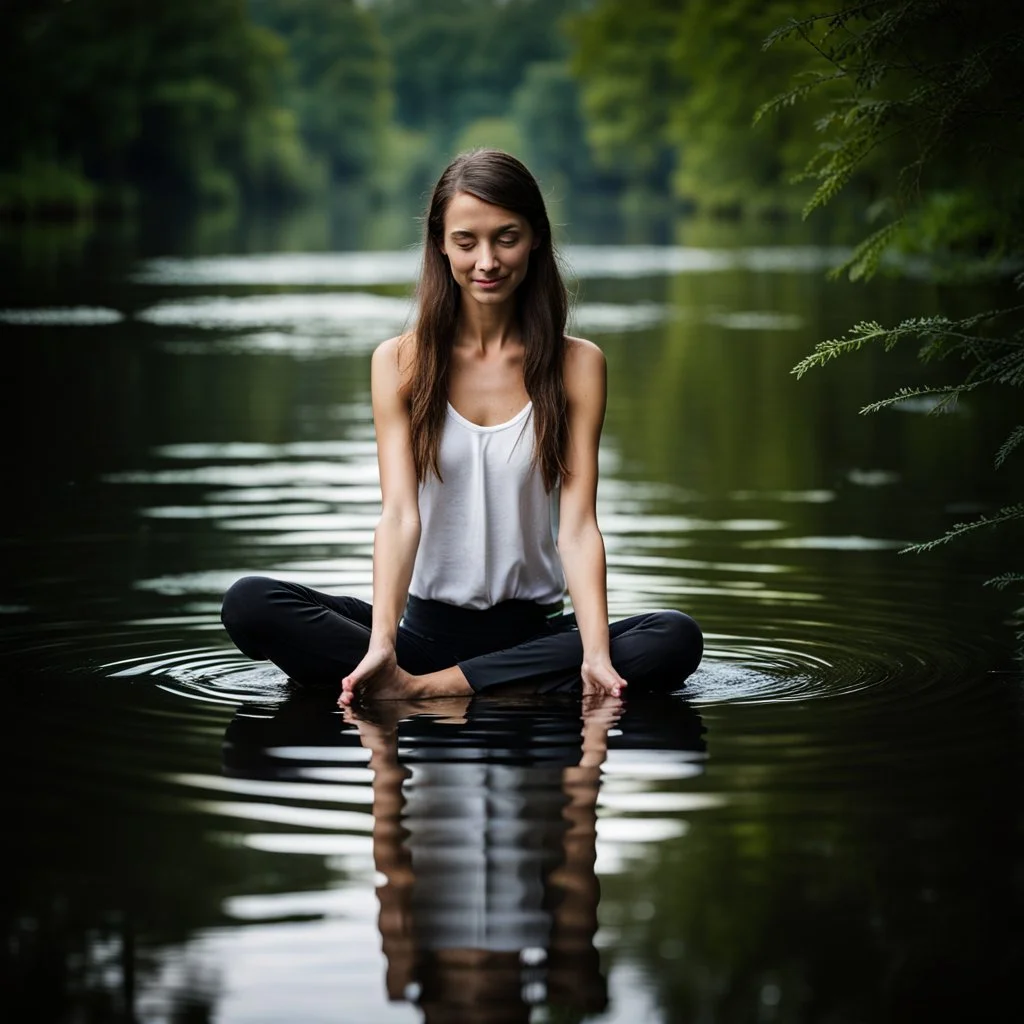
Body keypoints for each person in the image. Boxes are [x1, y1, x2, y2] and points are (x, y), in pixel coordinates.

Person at [220, 149, 703, 704]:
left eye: (507, 237)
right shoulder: (398, 363)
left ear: (537, 238)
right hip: (423, 636)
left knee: (673, 637)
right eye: (467, 241)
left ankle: (429, 692)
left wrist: (594, 650)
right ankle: (474, 684)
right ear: (441, 243)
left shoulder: (578, 365)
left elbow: (577, 528)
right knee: (249, 602)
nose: (487, 261)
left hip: (535, 636)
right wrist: (382, 642)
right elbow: (400, 515)